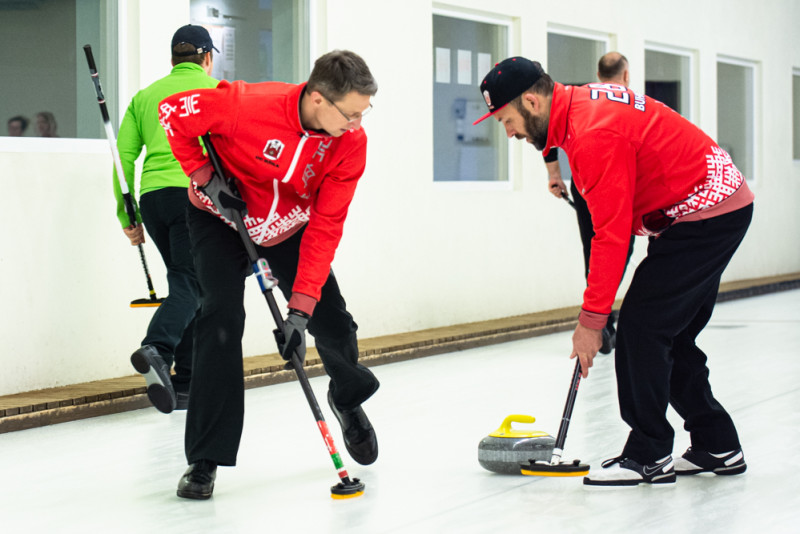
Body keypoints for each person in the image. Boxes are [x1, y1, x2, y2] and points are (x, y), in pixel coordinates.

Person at [474, 57, 753, 486]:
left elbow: (612, 235)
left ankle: (648, 453)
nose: (509, 132)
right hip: (708, 206)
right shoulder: (577, 107)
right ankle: (717, 443)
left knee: (642, 328)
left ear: (531, 101)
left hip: (705, 211)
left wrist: (592, 321)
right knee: (670, 332)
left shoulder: (592, 133)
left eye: (506, 120)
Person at [159, 49, 380, 500]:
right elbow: (172, 115)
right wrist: (204, 175)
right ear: (319, 99)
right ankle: (204, 458)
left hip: (288, 229)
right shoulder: (244, 104)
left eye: (364, 113)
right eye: (352, 114)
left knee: (332, 322)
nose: (357, 124)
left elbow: (326, 225)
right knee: (220, 318)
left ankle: (346, 396)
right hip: (221, 218)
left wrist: (298, 312)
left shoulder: (349, 144)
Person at [121, 24, 218, 414]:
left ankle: (185, 383)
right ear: (208, 59)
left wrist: (126, 214)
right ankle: (158, 348)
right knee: (191, 282)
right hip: (193, 196)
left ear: (173, 60)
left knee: (188, 283)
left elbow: (122, 158)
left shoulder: (144, 97)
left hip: (153, 200)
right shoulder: (216, 93)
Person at [543, 52, 636, 354]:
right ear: (626, 75)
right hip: (622, 186)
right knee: (620, 248)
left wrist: (555, 175)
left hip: (583, 183)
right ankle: (602, 317)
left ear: (598, 75)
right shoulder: (631, 102)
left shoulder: (581, 100)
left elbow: (544, 132)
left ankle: (602, 317)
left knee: (594, 249)